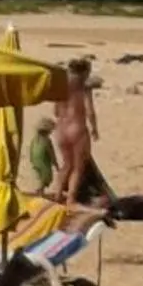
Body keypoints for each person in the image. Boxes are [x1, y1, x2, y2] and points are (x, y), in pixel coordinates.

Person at [50, 59, 98, 204]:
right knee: (77, 167)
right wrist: (95, 128)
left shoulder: (62, 86)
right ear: (84, 72)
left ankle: (57, 195)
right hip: (77, 128)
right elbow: (90, 111)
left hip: (61, 129)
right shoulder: (84, 87)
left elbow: (56, 111)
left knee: (66, 164)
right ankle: (70, 197)